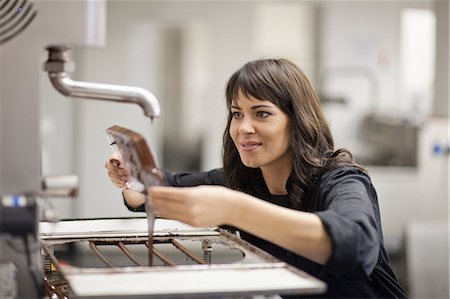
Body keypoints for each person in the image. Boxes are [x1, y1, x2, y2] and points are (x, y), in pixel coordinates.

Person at [105, 58, 407, 298]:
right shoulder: (243, 182)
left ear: (297, 121)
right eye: (237, 114)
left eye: (261, 114)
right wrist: (132, 182)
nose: (243, 127)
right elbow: (164, 186)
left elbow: (354, 244)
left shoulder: (340, 180)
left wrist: (236, 210)